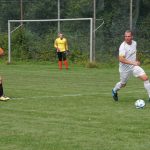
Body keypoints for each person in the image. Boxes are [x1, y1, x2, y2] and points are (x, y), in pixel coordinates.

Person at [112, 30, 150, 101]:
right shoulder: (123, 46)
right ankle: (114, 90)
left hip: (134, 67)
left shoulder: (134, 43)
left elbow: (134, 53)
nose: (127, 38)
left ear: (132, 37)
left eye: (128, 36)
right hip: (124, 69)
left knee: (145, 78)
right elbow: (121, 59)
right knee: (123, 84)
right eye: (125, 36)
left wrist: (136, 61)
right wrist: (133, 63)